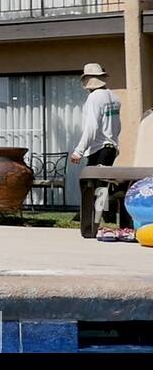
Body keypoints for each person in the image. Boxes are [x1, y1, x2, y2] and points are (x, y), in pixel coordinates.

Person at [69, 63, 129, 242]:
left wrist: (79, 151)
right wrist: (114, 144)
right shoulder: (114, 97)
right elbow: (118, 127)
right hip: (110, 148)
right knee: (101, 187)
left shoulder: (94, 98)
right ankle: (98, 220)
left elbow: (92, 127)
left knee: (92, 188)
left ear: (88, 81)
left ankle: (94, 223)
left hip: (98, 149)